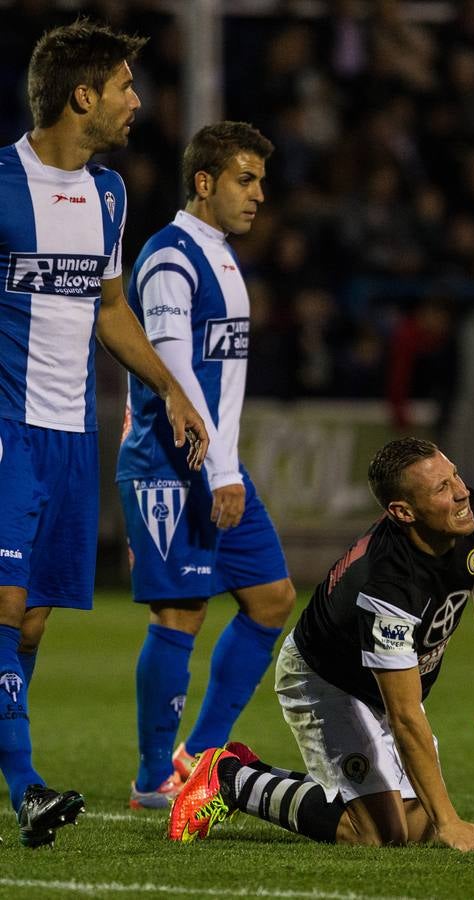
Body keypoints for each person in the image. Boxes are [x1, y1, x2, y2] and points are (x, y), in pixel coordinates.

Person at [0, 19, 209, 848]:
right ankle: (27, 789)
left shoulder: (112, 195)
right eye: (125, 86)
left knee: (32, 625)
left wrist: (170, 388)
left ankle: (15, 766)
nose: (137, 101)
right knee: (4, 608)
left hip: (71, 439)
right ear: (81, 95)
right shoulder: (1, 185)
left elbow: (110, 309)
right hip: (7, 433)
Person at [169, 437, 474, 852]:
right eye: (442, 488)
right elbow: (405, 715)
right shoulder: (387, 586)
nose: (461, 491)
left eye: (454, 475)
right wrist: (450, 822)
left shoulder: (470, 513)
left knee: (416, 824)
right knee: (378, 834)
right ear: (403, 512)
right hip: (327, 681)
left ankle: (271, 778)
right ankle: (231, 778)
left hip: (382, 681)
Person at [116, 121, 296, 810]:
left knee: (272, 597)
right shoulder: (169, 256)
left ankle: (201, 751)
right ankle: (153, 777)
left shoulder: (220, 255)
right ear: (204, 181)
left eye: (260, 181)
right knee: (180, 613)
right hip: (169, 464)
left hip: (220, 464)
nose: (258, 194)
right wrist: (219, 470)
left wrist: (226, 466)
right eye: (245, 180)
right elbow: (175, 369)